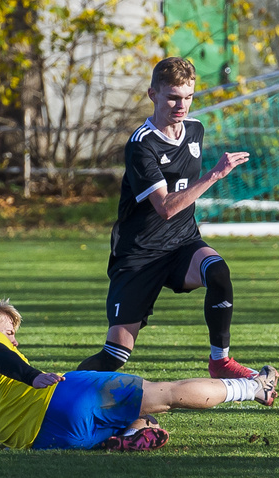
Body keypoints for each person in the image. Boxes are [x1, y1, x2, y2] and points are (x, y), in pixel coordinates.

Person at [77, 56, 256, 380]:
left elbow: (180, 205)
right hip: (139, 254)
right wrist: (215, 175)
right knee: (115, 355)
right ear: (153, 94)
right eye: (173, 96)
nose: (181, 105)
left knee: (217, 272)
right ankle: (55, 395)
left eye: (188, 97)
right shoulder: (140, 145)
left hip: (182, 244)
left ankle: (220, 361)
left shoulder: (195, 130)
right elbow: (167, 207)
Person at [0, 300, 279, 451]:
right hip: (61, 397)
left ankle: (134, 433)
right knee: (166, 393)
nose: (13, 339)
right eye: (8, 332)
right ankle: (253, 388)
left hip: (49, 441)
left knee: (144, 418)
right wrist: (31, 376)